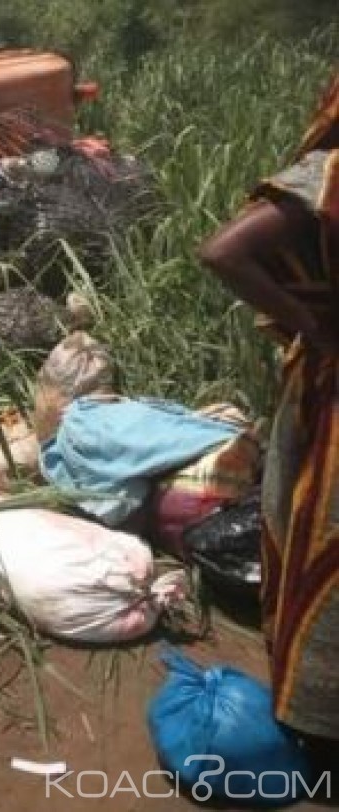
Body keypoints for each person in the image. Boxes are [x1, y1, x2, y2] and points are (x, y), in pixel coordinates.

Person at [199, 75, 338, 756]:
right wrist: (311, 323)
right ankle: (316, 719)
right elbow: (222, 251)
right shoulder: (325, 180)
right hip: (327, 396)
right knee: (322, 544)